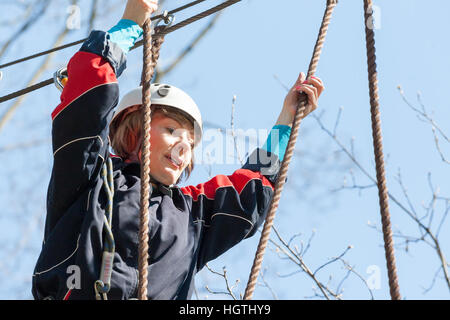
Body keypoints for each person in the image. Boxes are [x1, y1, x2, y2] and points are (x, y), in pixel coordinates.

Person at [32, 0, 324, 300]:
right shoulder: (94, 178)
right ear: (134, 131)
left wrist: (287, 120)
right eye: (171, 130)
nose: (184, 145)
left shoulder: (192, 213)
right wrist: (132, 22)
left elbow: (251, 191)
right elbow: (89, 97)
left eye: (191, 143)